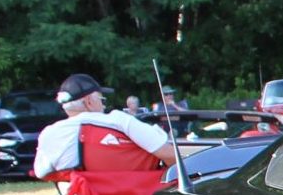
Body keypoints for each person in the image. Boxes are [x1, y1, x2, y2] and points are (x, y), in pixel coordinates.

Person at [33, 72, 178, 178]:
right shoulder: (119, 120)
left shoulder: (50, 133)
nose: (103, 105)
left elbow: (42, 173)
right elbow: (170, 156)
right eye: (102, 99)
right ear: (89, 101)